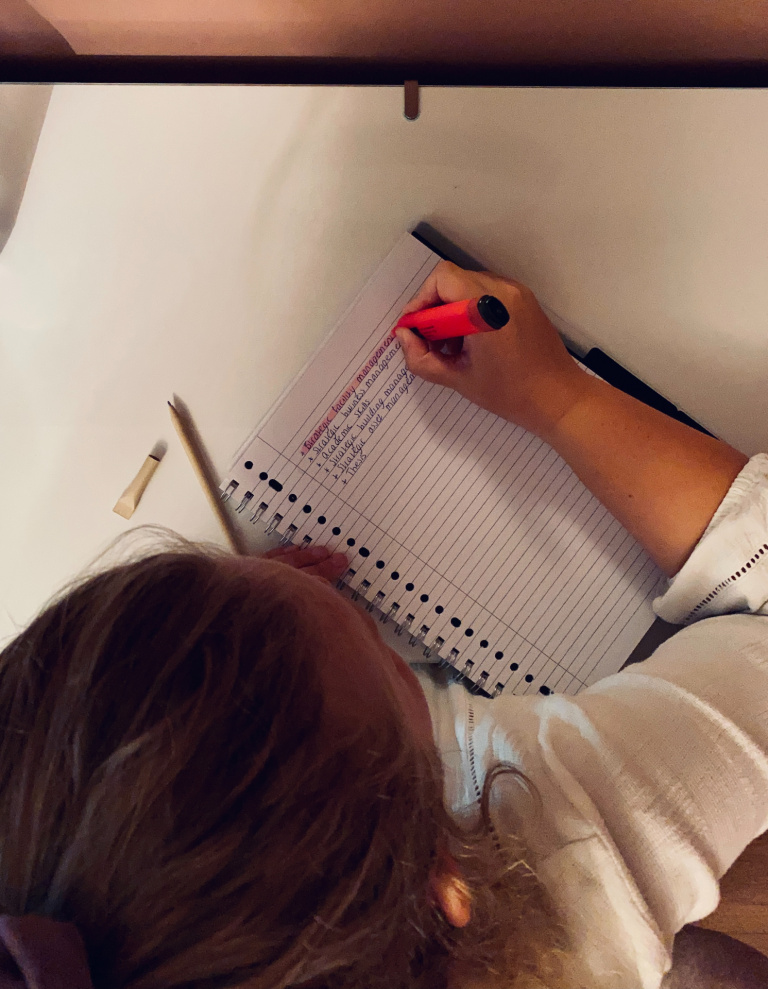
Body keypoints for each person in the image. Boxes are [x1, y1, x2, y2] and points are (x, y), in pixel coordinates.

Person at [1, 260, 767, 989]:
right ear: (445, 882)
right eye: (374, 647)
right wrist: (561, 398)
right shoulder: (560, 860)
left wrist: (312, 675)